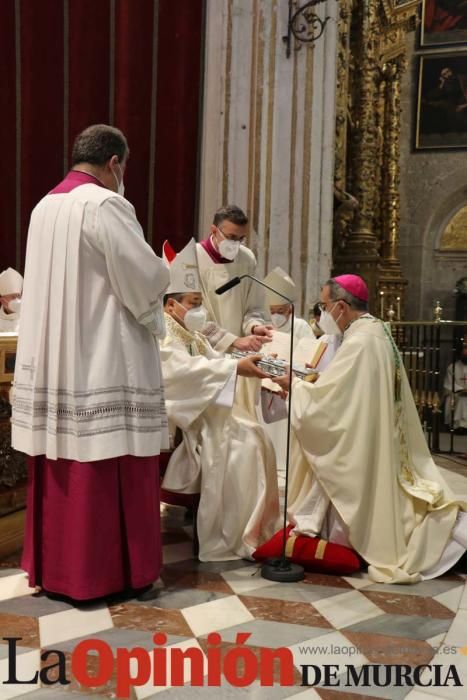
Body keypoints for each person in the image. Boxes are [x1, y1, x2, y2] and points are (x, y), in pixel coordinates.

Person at [12, 124, 170, 601]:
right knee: (110, 458)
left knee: (62, 461)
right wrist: (166, 271)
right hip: (102, 357)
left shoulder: (44, 206)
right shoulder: (105, 205)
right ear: (114, 163)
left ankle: (56, 570)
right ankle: (113, 573)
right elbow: (142, 278)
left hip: (57, 362)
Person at [275, 274, 467, 584]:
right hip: (375, 431)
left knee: (397, 522)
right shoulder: (376, 331)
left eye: (324, 306)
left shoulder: (362, 341)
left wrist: (296, 386)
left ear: (341, 306)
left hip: (363, 439)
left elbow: (330, 404)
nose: (322, 314)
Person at [160, 239, 281, 561]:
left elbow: (214, 360)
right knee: (245, 448)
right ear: (171, 306)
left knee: (256, 437)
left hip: (207, 410)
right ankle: (231, 533)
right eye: (193, 302)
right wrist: (234, 367)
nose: (199, 310)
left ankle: (254, 528)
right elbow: (180, 373)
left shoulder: (193, 334)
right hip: (189, 416)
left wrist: (258, 370)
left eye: (201, 302)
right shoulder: (164, 335)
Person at [196, 205, 273, 353]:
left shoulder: (247, 259)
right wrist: (231, 341)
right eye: (231, 237)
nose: (235, 244)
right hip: (206, 352)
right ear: (214, 230)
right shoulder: (193, 258)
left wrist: (255, 326)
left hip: (241, 352)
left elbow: (254, 307)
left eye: (241, 239)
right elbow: (192, 315)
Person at [263, 267, 314, 342]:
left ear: (290, 310)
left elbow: (311, 350)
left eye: (280, 312)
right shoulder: (267, 328)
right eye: (272, 312)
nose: (276, 316)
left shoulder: (301, 326)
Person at [444, 344, 467, 432]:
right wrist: (461, 389)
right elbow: (449, 383)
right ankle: (458, 425)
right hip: (457, 393)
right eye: (464, 355)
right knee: (459, 399)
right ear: (460, 354)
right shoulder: (452, 367)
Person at [0, 268, 23, 333]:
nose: (17, 300)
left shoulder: (27, 319)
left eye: (19, 296)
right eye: (13, 297)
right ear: (2, 301)